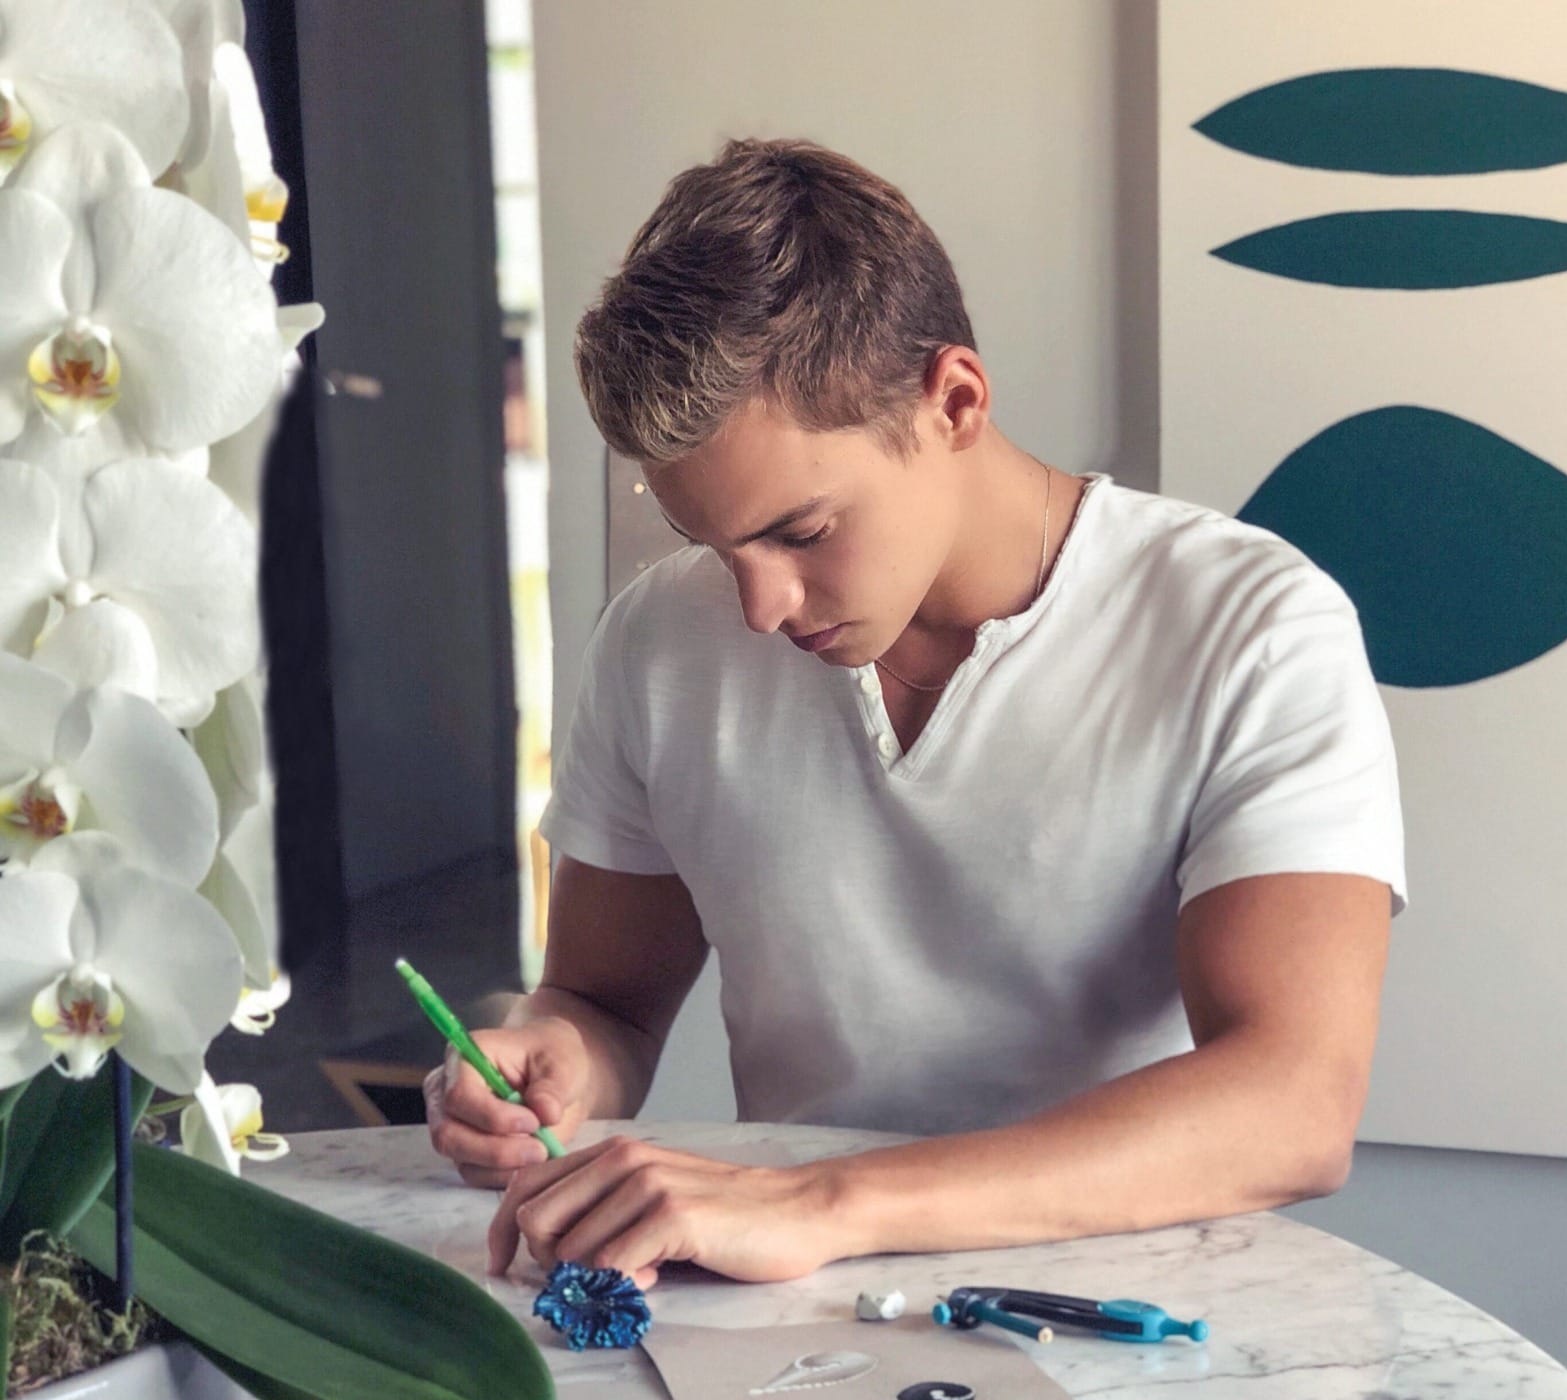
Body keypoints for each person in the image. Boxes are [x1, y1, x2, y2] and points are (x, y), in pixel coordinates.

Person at [423, 137, 1406, 1291]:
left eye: (800, 532)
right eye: (711, 545)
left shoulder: (1249, 624)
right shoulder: (659, 638)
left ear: (953, 402)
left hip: (1135, 1300)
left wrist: (825, 1204)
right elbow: (604, 1004)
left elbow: (1292, 1103)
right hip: (796, 1302)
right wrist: (551, 1061)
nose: (757, 607)